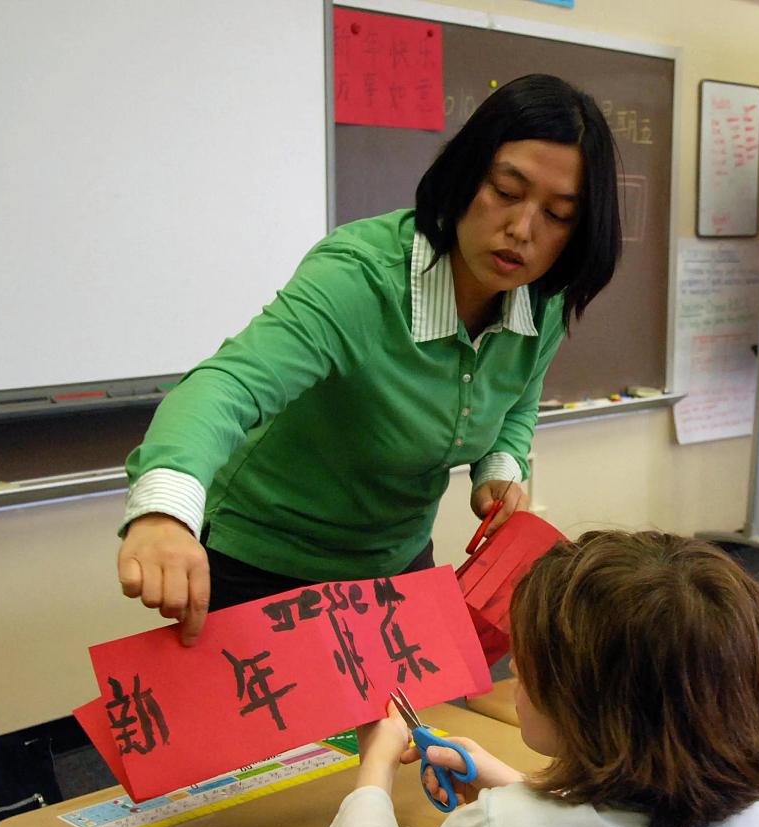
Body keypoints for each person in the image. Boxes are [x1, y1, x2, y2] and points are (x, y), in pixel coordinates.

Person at [115, 74, 621, 644]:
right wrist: (163, 512)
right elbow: (225, 387)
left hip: (395, 562)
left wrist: (500, 469)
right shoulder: (359, 278)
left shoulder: (542, 298)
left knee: (402, 729)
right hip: (261, 562)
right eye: (506, 191)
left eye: (557, 215)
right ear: (465, 174)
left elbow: (517, 400)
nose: (521, 230)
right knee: (295, 736)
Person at [325, 530, 759, 827]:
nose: (512, 669)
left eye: (528, 660)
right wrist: (521, 787)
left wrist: (376, 767)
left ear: (587, 703)